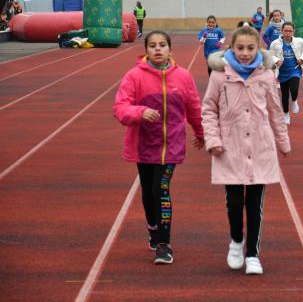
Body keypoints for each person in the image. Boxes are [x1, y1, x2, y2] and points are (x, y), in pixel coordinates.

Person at [202, 25, 291, 275]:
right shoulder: (220, 75)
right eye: (240, 48)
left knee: (254, 205)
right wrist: (213, 139)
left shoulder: (264, 75)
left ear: (258, 48)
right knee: (233, 202)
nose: (245, 53)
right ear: (231, 48)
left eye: (250, 48)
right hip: (229, 147)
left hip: (260, 146)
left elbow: (275, 111)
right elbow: (208, 109)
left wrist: (283, 142)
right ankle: (236, 242)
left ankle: (252, 253)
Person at [113, 30, 205, 265]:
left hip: (171, 145)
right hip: (143, 145)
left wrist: (201, 133)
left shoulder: (183, 77)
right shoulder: (134, 76)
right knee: (147, 193)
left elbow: (194, 107)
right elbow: (120, 108)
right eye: (152, 45)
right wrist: (141, 112)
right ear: (146, 50)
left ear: (170, 49)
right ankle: (153, 228)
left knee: (160, 190)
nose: (157, 49)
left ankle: (164, 244)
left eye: (162, 45)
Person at [269, 21, 303, 125]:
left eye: (290, 31)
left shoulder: (299, 41)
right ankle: (286, 114)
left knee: (294, 89)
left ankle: (295, 100)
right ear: (282, 31)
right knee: (285, 95)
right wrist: (276, 60)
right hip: (282, 72)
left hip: (294, 70)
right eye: (285, 31)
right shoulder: (275, 43)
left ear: (293, 31)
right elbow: (270, 55)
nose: (288, 33)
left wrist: (302, 58)